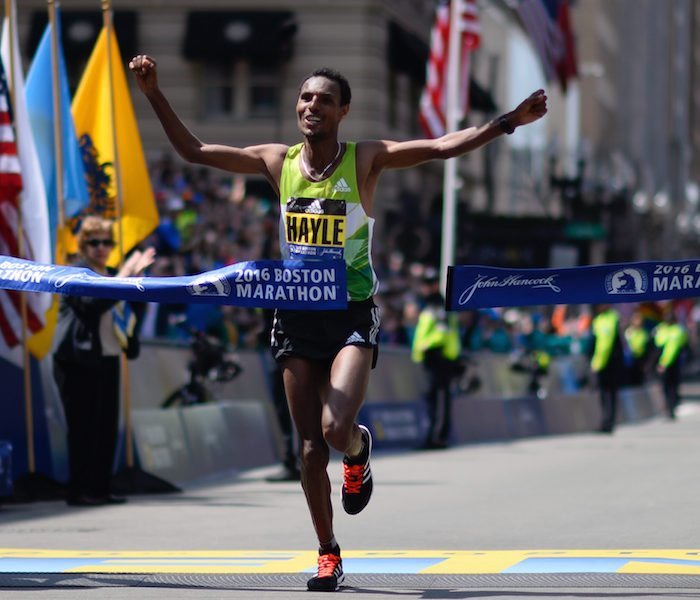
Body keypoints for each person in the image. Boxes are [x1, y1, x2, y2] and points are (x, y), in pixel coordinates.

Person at [129, 54, 547, 591]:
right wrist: (154, 93)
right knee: (306, 448)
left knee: (334, 429)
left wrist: (508, 121)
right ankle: (328, 551)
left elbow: (442, 146)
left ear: (343, 111)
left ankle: (357, 450)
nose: (312, 106)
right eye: (305, 98)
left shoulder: (365, 159)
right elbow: (195, 151)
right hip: (295, 315)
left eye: (324, 99)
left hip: (350, 312)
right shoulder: (273, 160)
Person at [52, 216, 155, 506]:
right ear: (83, 245)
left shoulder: (113, 274)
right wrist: (124, 278)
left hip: (107, 357)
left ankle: (99, 488)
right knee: (83, 427)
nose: (101, 248)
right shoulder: (75, 273)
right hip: (77, 359)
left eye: (106, 242)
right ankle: (79, 490)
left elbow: (131, 313)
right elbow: (91, 305)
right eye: (93, 242)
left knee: (106, 427)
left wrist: (135, 282)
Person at [411, 270, 462, 449]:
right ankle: (435, 436)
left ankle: (436, 437)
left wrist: (425, 346)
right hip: (435, 358)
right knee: (435, 399)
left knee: (438, 399)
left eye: (427, 283)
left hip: (438, 357)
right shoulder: (432, 304)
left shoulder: (437, 306)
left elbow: (441, 333)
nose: (424, 287)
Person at [589, 304, 624, 433]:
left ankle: (608, 422)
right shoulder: (601, 319)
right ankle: (607, 420)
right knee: (608, 394)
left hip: (607, 363)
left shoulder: (610, 319)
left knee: (608, 393)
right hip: (608, 362)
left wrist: (597, 363)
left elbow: (605, 345)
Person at [654, 309, 689, 419]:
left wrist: (663, 363)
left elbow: (671, 350)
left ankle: (671, 408)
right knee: (669, 386)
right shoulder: (662, 329)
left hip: (671, 362)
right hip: (667, 362)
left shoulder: (677, 331)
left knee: (671, 386)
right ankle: (670, 407)